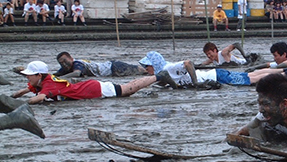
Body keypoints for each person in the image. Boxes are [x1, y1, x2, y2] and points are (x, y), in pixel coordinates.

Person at [11, 61, 176, 104]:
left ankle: (159, 77)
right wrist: (13, 97)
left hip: (93, 89)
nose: (27, 77)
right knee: (126, 89)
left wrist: (23, 105)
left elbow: (39, 98)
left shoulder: (48, 85)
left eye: (29, 75)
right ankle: (158, 77)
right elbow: (24, 91)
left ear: (39, 75)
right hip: (88, 88)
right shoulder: (40, 82)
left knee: (128, 90)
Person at [139, 51, 287, 88]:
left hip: (216, 76)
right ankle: (285, 73)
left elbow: (188, 63)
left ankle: (285, 74)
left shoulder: (168, 68)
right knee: (250, 74)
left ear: (154, 65)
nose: (146, 69)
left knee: (250, 80)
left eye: (147, 66)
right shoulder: (162, 76)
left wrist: (195, 83)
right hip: (217, 74)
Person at [55, 52, 148, 78]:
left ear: (71, 58)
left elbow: (77, 74)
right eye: (61, 63)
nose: (63, 64)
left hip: (113, 67)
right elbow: (55, 75)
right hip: (111, 70)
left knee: (140, 71)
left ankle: (153, 71)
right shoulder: (66, 68)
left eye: (64, 61)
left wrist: (61, 78)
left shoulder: (77, 64)